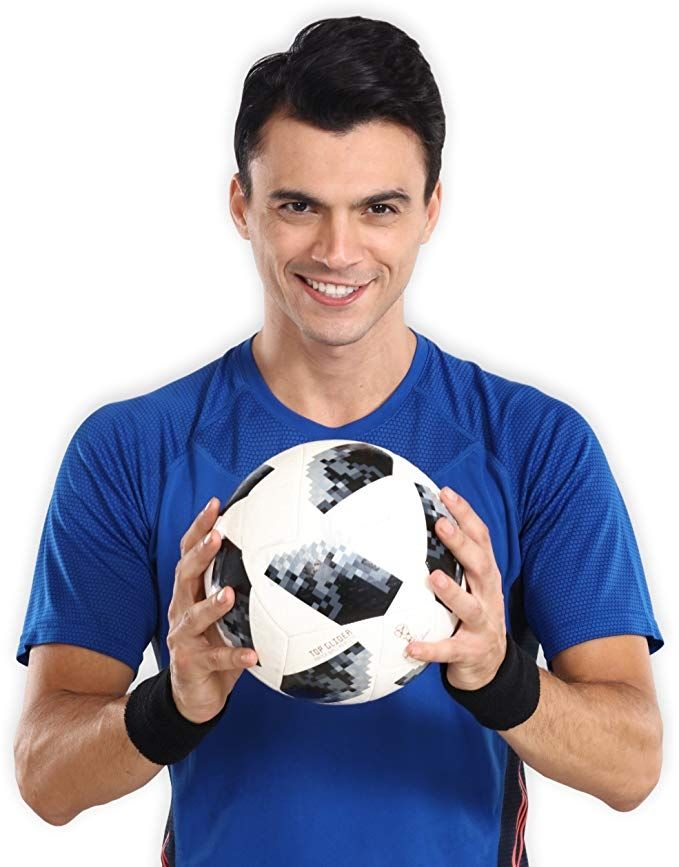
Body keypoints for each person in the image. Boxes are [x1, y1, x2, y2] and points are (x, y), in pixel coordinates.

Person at [14, 15, 664, 867]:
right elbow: (45, 777)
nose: (337, 250)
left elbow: (633, 765)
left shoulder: (535, 444)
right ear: (241, 204)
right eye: (297, 206)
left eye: (378, 208)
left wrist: (502, 678)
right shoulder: (130, 449)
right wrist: (170, 703)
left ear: (430, 210)